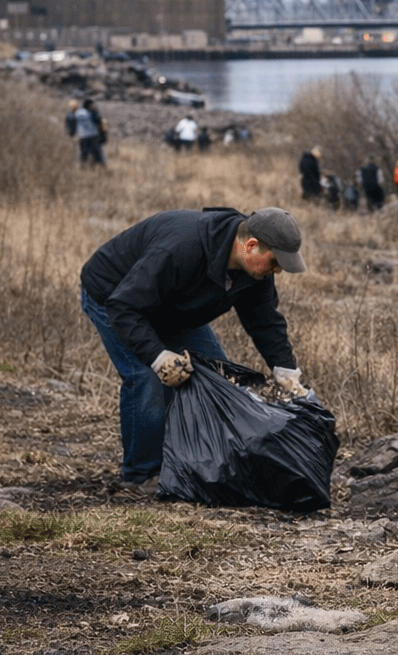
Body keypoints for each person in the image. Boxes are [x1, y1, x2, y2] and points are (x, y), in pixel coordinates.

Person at [80, 206, 310, 493]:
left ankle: (199, 461)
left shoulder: (255, 271)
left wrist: (285, 369)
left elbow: (264, 320)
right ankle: (141, 473)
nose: (277, 270)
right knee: (147, 378)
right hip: (114, 297)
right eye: (275, 262)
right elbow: (124, 305)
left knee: (217, 377)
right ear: (251, 246)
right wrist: (158, 355)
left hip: (170, 306)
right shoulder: (182, 247)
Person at [66, 97, 107, 167]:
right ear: (89, 105)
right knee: (97, 153)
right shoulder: (92, 112)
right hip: (93, 135)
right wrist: (103, 136)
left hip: (82, 136)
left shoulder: (77, 112)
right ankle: (102, 167)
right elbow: (99, 123)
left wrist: (72, 134)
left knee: (83, 154)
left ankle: (82, 168)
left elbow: (71, 122)